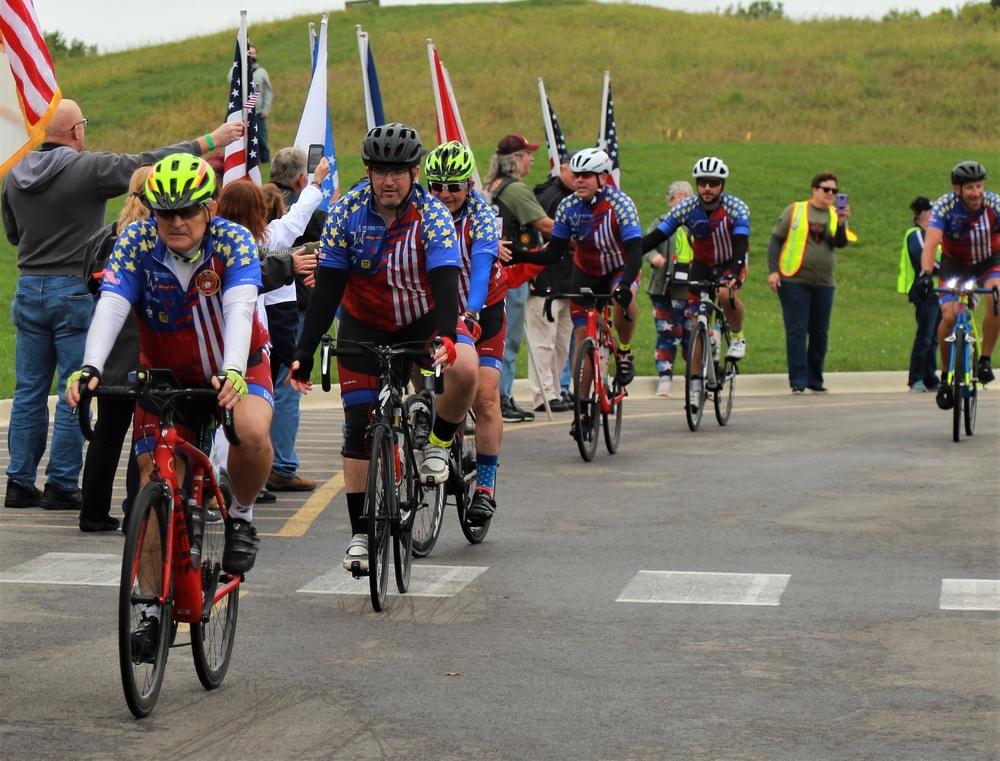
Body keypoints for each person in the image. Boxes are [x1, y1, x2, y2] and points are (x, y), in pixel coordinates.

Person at [0, 98, 242, 511]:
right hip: (74, 288)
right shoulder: (86, 168)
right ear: (77, 131)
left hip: (27, 285)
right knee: (76, 387)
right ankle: (61, 481)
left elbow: (11, 234)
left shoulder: (12, 174)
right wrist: (207, 141)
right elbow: (148, 162)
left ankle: (19, 480)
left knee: (28, 392)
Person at [67, 152, 273, 581]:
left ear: (209, 208)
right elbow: (112, 304)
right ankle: (149, 608)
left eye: (186, 211)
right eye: (165, 213)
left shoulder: (232, 240)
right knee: (153, 482)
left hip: (237, 366)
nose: (175, 222)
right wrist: (90, 367)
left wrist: (233, 368)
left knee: (251, 433)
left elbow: (240, 308)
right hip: (166, 377)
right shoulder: (137, 242)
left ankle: (241, 516)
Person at [289, 123, 478, 572]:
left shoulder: (432, 216)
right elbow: (328, 291)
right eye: (379, 171)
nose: (388, 180)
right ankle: (359, 535)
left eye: (398, 171)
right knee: (357, 426)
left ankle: (438, 443)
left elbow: (446, 285)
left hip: (423, 317)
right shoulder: (345, 213)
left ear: (414, 173)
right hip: (364, 322)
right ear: (369, 172)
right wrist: (303, 351)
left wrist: (446, 339)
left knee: (466, 370)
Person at [217, 159, 330, 496]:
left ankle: (240, 476)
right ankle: (244, 481)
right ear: (256, 212)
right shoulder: (257, 241)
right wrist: (316, 183)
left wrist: (314, 185)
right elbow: (295, 221)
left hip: (217, 342)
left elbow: (294, 221)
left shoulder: (219, 241)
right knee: (248, 415)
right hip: (248, 346)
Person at [512, 148, 642, 441]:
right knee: (583, 338)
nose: (579, 180)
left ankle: (623, 350)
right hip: (585, 271)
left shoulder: (620, 204)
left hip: (619, 268)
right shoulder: (568, 206)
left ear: (602, 178)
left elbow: (635, 253)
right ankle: (582, 409)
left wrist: (625, 285)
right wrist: (521, 256)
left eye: (586, 176)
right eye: (577, 175)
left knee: (625, 300)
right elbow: (555, 251)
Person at [424, 141, 508, 525]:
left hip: (482, 310)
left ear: (470, 186)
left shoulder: (482, 217)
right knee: (424, 384)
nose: (445, 194)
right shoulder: (419, 213)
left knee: (486, 397)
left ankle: (486, 487)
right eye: (437, 186)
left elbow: (480, 268)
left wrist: (472, 311)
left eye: (454, 186)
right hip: (435, 311)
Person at [76, 166, 150, 532]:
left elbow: (89, 281)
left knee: (106, 433)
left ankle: (91, 512)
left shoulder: (104, 238)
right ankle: (138, 515)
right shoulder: (156, 241)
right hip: (145, 346)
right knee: (145, 437)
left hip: (108, 350)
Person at [642, 157, 749, 411]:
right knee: (695, 323)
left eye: (713, 183)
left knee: (724, 293)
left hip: (730, 260)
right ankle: (695, 386)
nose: (707, 188)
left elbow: (741, 241)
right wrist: (632, 252)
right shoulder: (686, 208)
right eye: (703, 183)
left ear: (722, 185)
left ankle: (737, 336)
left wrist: (734, 273)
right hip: (702, 263)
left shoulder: (736, 208)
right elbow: (658, 235)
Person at [263, 147, 330, 493]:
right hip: (295, 307)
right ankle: (281, 464)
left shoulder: (256, 202)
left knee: (260, 384)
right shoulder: (311, 215)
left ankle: (261, 462)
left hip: (261, 306)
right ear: (302, 179)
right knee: (289, 382)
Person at [915, 161, 1000, 410]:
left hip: (989, 261)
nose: (976, 192)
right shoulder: (944, 207)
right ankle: (945, 377)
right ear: (957, 189)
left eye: (979, 186)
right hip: (955, 265)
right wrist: (925, 274)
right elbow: (930, 244)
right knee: (949, 317)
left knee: (997, 298)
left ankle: (984, 359)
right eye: (969, 188)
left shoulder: (994, 204)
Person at [483, 133, 554, 424]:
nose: (532, 159)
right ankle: (502, 398)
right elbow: (546, 225)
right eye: (527, 154)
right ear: (515, 160)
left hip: (494, 270)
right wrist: (577, 236)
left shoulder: (492, 186)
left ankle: (498, 397)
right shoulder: (517, 191)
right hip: (513, 273)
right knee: (508, 342)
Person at [765, 171, 850, 394]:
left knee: (820, 332)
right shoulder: (796, 210)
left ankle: (815, 379)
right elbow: (775, 241)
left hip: (824, 282)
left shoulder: (834, 214)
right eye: (826, 189)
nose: (831, 193)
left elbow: (840, 243)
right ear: (814, 190)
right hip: (794, 279)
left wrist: (842, 223)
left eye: (834, 190)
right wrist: (773, 272)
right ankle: (798, 380)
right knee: (797, 330)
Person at [525, 153, 576, 413]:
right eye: (575, 173)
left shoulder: (574, 198)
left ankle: (555, 390)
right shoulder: (548, 197)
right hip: (544, 281)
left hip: (566, 283)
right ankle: (542, 395)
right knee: (543, 342)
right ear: (562, 169)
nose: (579, 179)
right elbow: (543, 233)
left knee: (560, 344)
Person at [644, 180, 694, 398]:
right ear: (670, 200)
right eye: (678, 196)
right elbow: (646, 244)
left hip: (693, 289)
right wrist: (654, 257)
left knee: (692, 335)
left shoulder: (699, 222)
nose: (682, 200)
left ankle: (695, 378)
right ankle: (665, 378)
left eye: (687, 195)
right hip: (664, 288)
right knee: (667, 334)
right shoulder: (661, 222)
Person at [898, 197, 940, 393]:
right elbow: (925, 258)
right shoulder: (916, 234)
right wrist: (946, 270)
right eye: (933, 212)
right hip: (924, 291)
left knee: (934, 337)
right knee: (924, 335)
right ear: (924, 214)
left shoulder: (932, 236)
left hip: (938, 290)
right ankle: (916, 378)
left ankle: (930, 376)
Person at [248, 43, 273, 164]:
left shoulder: (262, 72)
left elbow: (268, 92)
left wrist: (265, 110)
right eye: (249, 53)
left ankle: (265, 165)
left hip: (258, 113)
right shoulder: (239, 71)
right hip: (243, 114)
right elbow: (230, 78)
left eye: (253, 53)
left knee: (262, 141)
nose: (251, 56)